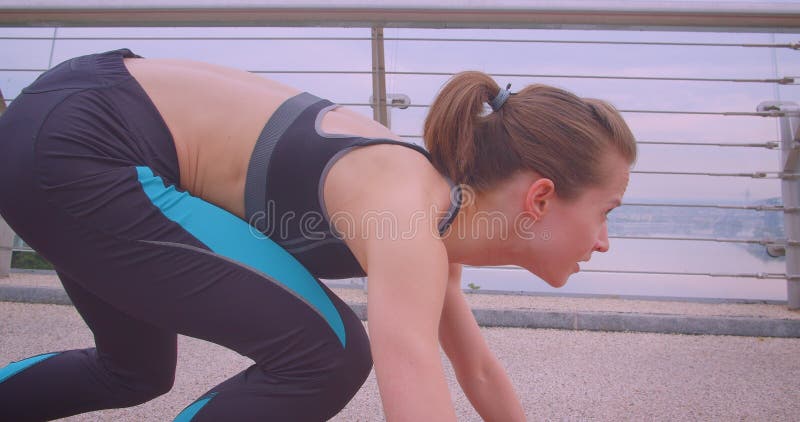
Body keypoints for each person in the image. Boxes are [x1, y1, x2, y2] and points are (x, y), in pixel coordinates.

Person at [0, 48, 636, 421]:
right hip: (83, 145)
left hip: (61, 132)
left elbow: (479, 372)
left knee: (133, 371)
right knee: (328, 354)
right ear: (541, 197)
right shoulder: (407, 212)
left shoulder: (431, 216)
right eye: (606, 210)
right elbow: (413, 389)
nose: (605, 241)